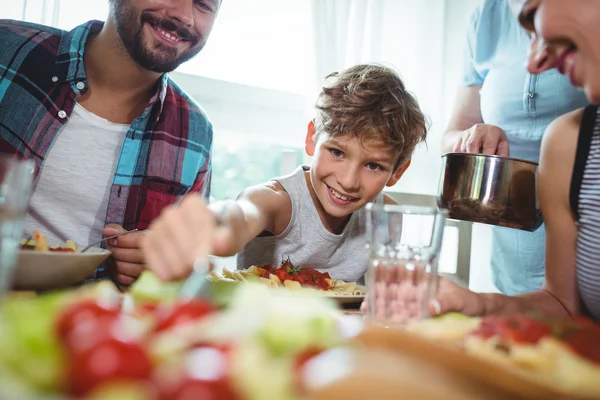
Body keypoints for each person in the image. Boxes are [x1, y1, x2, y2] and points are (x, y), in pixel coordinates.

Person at [0, 0, 221, 286]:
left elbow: (186, 270)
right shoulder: (6, 51)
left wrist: (163, 266)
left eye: (204, 4)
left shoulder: (197, 135)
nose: (185, 15)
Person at [140, 64, 428, 282]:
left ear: (397, 171)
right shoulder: (278, 201)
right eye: (337, 152)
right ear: (312, 138)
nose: (348, 181)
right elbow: (243, 213)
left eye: (373, 166)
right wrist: (213, 224)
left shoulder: (386, 218)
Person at [434, 0, 600, 322]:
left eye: (534, 13)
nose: (534, 62)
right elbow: (564, 307)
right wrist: (481, 305)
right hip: (517, 268)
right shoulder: (568, 141)